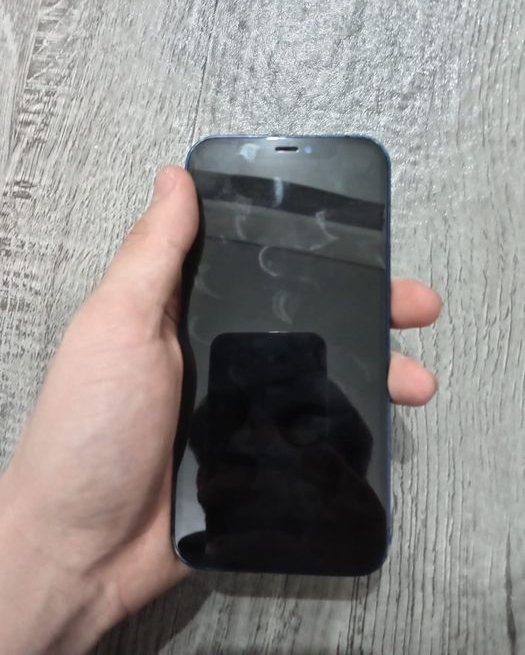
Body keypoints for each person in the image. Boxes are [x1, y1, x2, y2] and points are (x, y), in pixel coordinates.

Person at [0, 166, 442, 654]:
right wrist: (56, 552)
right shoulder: (209, 517)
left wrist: (54, 559)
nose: (258, 444)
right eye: (232, 428)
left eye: (299, 425)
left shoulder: (341, 508)